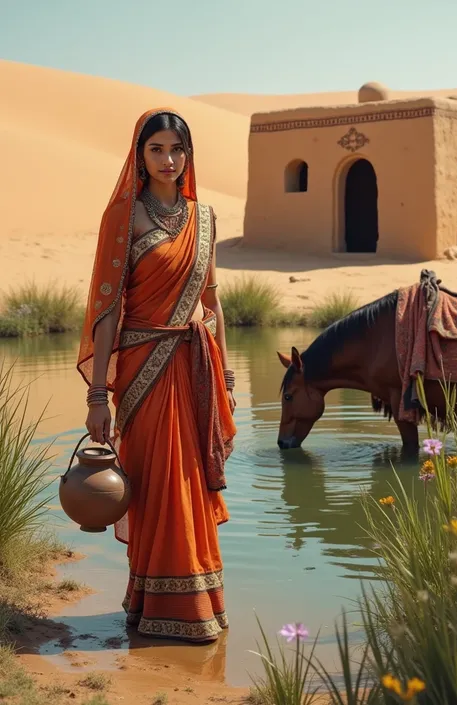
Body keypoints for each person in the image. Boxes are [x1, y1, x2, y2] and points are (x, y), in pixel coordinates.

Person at [77, 108, 237, 643]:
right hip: (142, 372)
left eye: (177, 150)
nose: (169, 161)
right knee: (154, 488)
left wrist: (228, 378)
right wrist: (98, 395)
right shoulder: (123, 218)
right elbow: (107, 313)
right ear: (139, 156)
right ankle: (153, 607)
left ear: (188, 155)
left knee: (189, 485)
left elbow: (212, 301)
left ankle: (198, 606)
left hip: (195, 370)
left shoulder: (205, 217)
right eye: (157, 150)